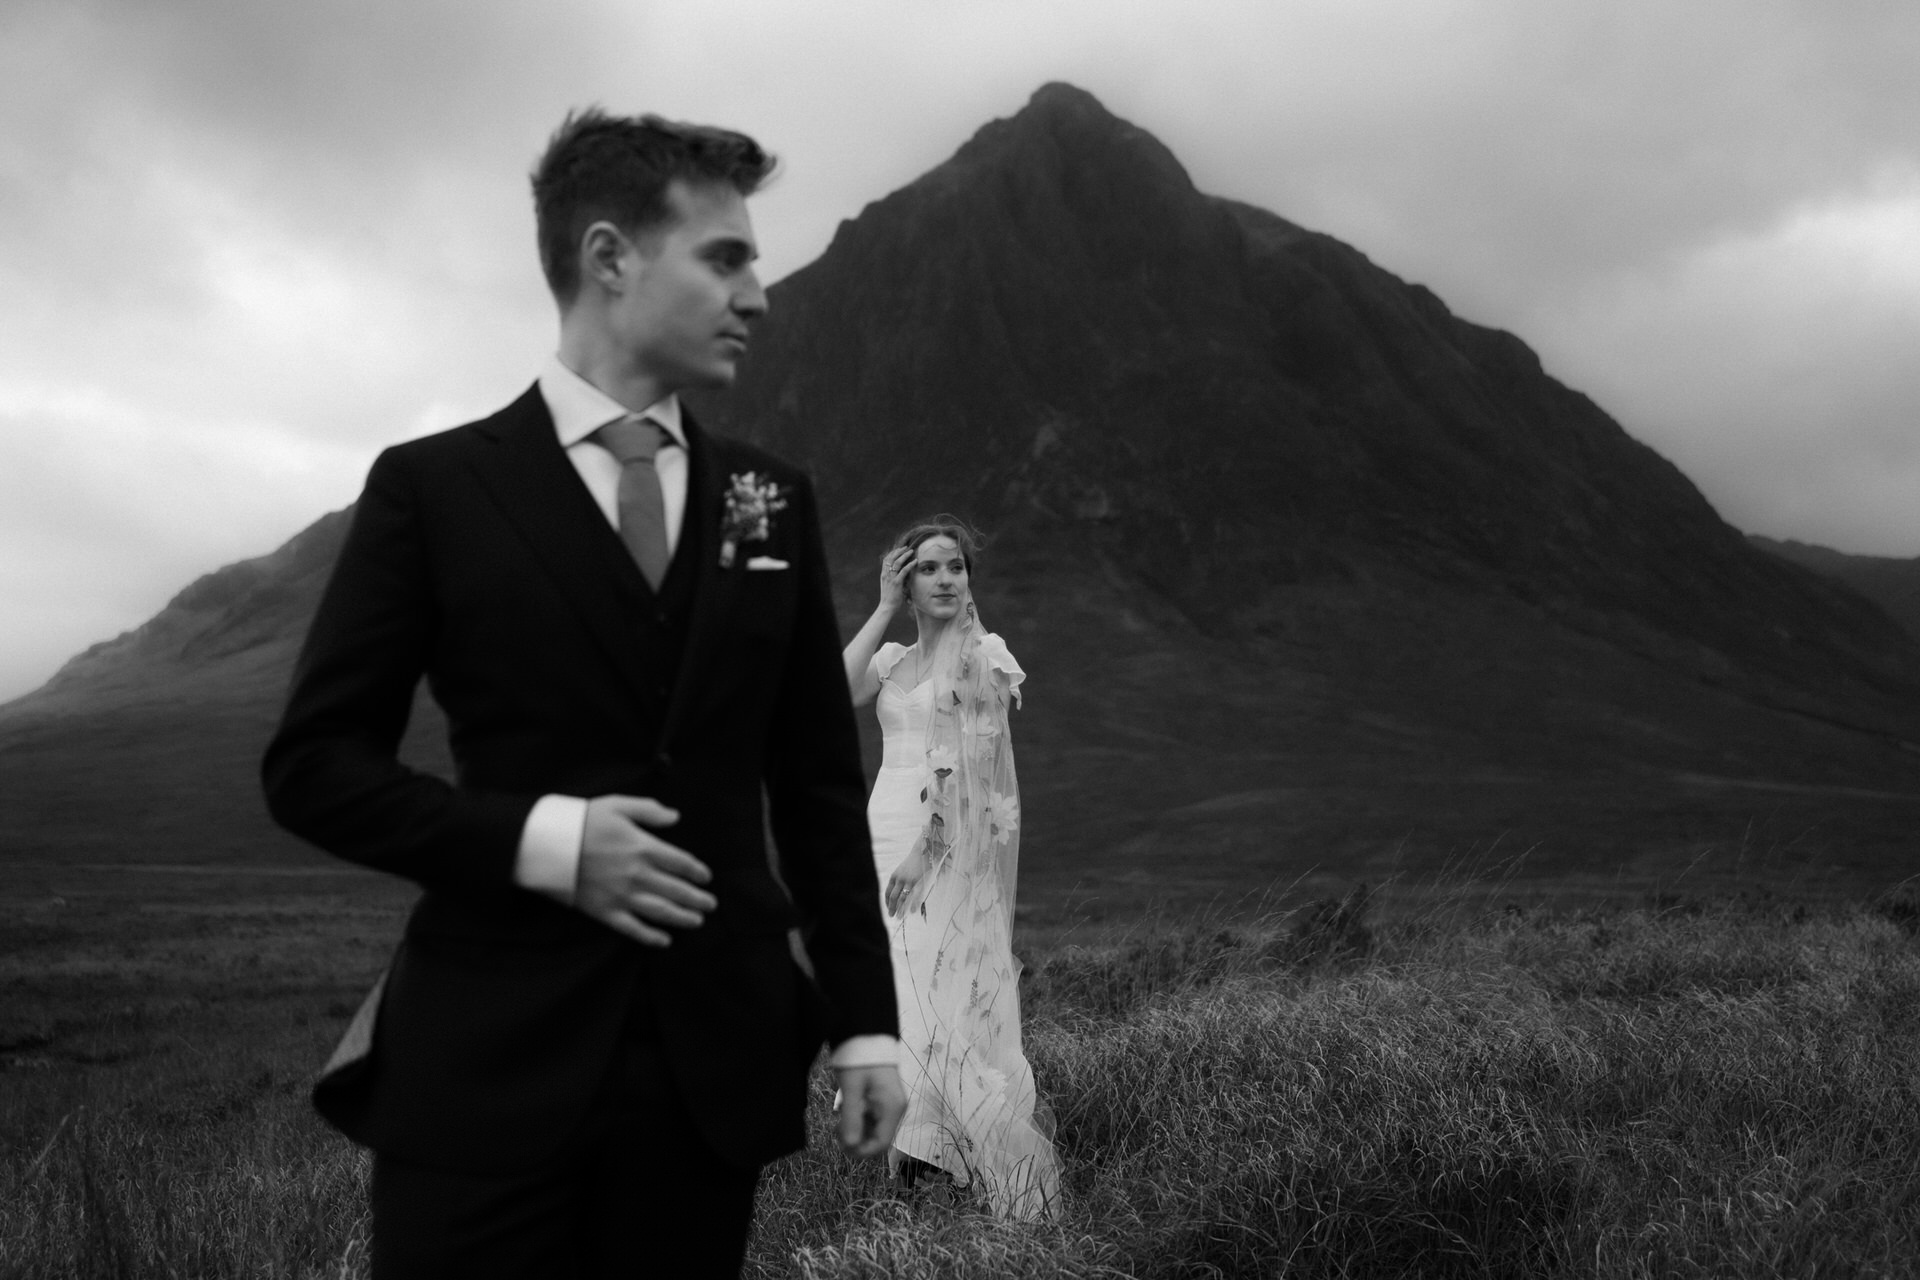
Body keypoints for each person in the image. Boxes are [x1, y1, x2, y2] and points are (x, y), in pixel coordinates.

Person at [262, 109, 904, 1279]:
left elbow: (817, 780)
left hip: (709, 1072)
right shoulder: (434, 489)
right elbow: (313, 767)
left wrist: (866, 1019)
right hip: (485, 1066)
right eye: (724, 257)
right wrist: (546, 840)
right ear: (609, 257)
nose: (757, 295)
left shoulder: (770, 500)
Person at [840, 516, 1061, 1219]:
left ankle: (956, 1170)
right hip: (881, 836)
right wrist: (881, 608)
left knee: (940, 998)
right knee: (894, 999)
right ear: (907, 582)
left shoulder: (984, 658)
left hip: (941, 850)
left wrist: (926, 851)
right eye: (928, 568)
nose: (944, 579)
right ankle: (917, 1174)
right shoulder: (892, 660)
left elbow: (978, 773)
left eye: (955, 567)